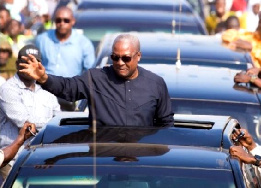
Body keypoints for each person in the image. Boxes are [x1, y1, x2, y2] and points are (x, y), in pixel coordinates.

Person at [19, 34, 174, 127]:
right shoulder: (96, 78)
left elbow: (166, 124)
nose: (120, 62)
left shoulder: (156, 84)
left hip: (143, 162)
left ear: (138, 56)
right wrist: (43, 78)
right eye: (115, 57)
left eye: (126, 58)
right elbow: (68, 88)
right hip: (102, 160)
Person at [0, 44, 60, 180]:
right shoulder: (7, 89)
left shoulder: (47, 91)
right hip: (13, 161)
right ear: (17, 63)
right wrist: (53, 125)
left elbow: (59, 118)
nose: (28, 65)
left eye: (33, 62)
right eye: (25, 61)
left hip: (43, 161)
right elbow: (26, 124)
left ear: (40, 66)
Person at [35, 6, 95, 111]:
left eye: (66, 20)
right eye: (58, 20)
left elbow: (89, 73)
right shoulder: (42, 39)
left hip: (70, 96)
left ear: (73, 21)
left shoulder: (84, 43)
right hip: (43, 94)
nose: (62, 23)